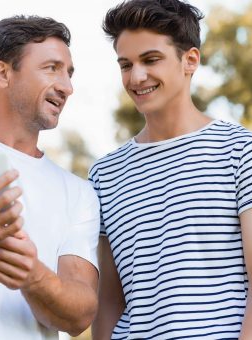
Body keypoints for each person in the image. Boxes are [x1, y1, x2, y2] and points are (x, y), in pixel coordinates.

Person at [89, 0, 252, 339]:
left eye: (151, 60)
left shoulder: (240, 151)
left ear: (190, 60)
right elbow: (107, 303)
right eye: (125, 64)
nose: (136, 77)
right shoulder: (104, 174)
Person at [0, 15, 100, 340]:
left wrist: (31, 272)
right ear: (3, 73)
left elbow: (80, 314)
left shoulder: (78, 193)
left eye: (69, 73)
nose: (67, 87)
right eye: (52, 68)